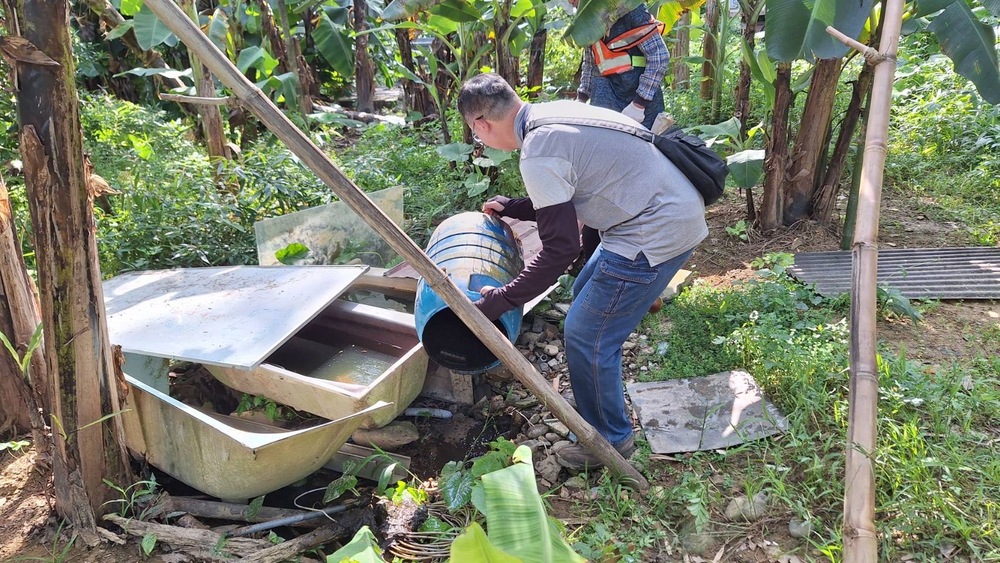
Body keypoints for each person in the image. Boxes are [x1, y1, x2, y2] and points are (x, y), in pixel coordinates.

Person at [457, 73, 707, 470]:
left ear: (481, 124)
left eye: (476, 136)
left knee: (586, 335)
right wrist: (518, 207)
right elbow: (577, 187)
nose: (481, 142)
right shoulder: (552, 113)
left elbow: (560, 249)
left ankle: (610, 439)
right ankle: (599, 392)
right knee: (587, 288)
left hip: (652, 231)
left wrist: (502, 299)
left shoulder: (538, 151)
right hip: (665, 210)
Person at [573, 0, 669, 130]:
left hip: (637, 98)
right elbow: (590, 63)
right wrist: (581, 99)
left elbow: (659, 56)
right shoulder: (587, 20)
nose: (570, 2)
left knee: (642, 147)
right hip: (605, 98)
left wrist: (639, 104)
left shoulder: (631, 9)